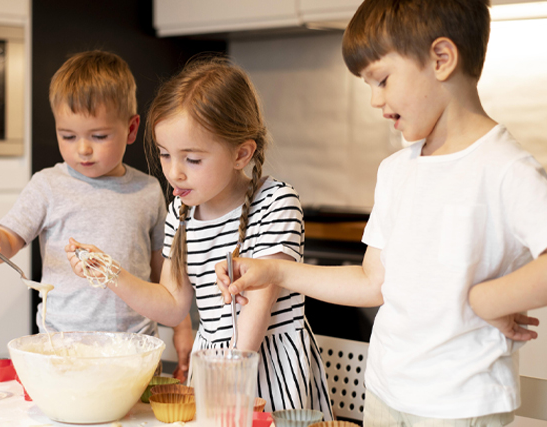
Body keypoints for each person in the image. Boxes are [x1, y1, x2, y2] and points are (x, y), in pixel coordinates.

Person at [216, 0, 547, 425]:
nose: (375, 100)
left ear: (441, 59)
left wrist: (488, 298)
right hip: (384, 394)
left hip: (459, 406)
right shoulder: (396, 171)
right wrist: (275, 272)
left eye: (382, 80)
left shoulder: (505, 169)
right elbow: (373, 282)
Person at [66, 56, 333, 418]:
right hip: (213, 370)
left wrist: (220, 390)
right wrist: (109, 272)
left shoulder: (275, 202)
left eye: (192, 160)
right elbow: (172, 304)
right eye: (164, 155)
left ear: (241, 153)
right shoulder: (182, 210)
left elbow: (251, 324)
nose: (174, 173)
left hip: (266, 374)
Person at [0, 50, 193, 381]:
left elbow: (163, 273)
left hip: (135, 350)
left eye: (98, 136)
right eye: (67, 136)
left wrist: (182, 325)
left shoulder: (149, 191)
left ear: (131, 128)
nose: (82, 149)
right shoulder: (48, 186)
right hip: (61, 349)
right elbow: (7, 244)